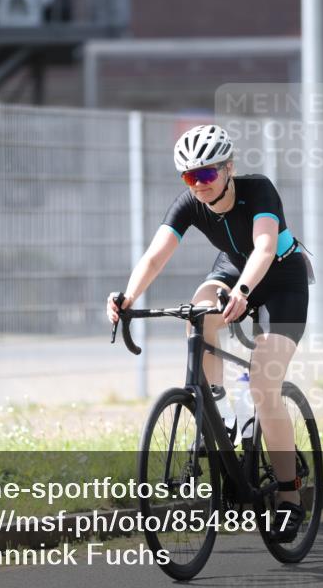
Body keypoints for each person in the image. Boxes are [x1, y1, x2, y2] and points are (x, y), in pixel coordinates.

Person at [106, 124, 310, 543]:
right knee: (198, 310)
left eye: (206, 175)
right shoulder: (189, 204)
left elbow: (265, 249)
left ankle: (290, 496)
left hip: (280, 279)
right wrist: (126, 297)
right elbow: (155, 256)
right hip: (233, 270)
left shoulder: (259, 191)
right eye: (188, 177)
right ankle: (217, 409)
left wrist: (245, 292)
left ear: (229, 167)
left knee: (263, 383)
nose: (197, 185)